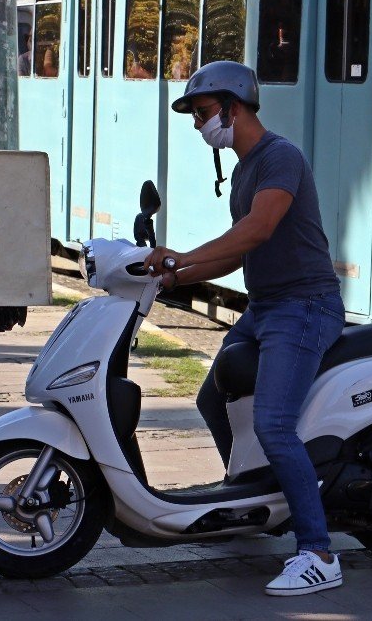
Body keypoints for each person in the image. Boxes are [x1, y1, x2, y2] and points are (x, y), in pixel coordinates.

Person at [144, 61, 345, 596]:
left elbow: (256, 231)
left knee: (275, 424)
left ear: (234, 107)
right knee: (213, 401)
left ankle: (318, 552)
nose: (197, 126)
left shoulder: (279, 157)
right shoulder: (243, 167)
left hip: (305, 307)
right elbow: (236, 254)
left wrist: (185, 256)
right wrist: (174, 273)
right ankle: (248, 497)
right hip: (266, 306)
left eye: (203, 113)